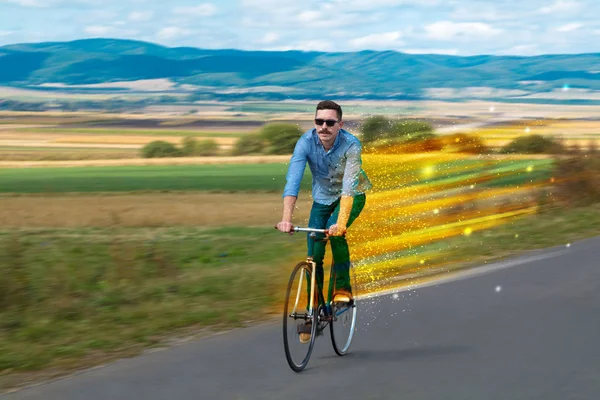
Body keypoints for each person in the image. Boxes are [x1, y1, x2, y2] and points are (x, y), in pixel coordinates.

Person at [276, 100, 371, 341]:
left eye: (330, 122)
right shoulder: (305, 143)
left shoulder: (351, 145)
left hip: (352, 196)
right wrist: (286, 219)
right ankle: (313, 311)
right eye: (319, 121)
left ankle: (343, 291)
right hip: (322, 198)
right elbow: (292, 182)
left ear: (340, 124)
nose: (324, 127)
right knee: (314, 254)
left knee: (334, 231)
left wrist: (339, 223)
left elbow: (348, 189)